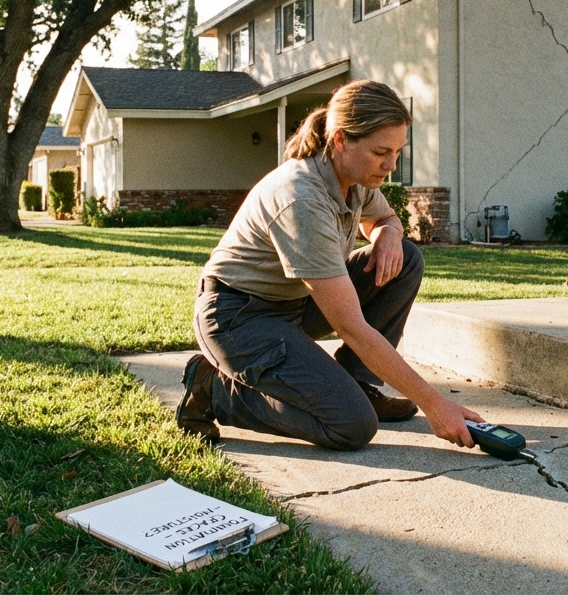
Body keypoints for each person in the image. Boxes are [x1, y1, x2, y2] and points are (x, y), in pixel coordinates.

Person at [177, 79, 483, 451]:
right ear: (340, 140)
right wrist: (435, 404)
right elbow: (350, 327)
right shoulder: (301, 198)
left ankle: (358, 383)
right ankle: (214, 389)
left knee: (406, 258)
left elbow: (385, 218)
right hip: (239, 318)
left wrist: (388, 233)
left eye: (398, 152)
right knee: (350, 426)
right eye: (381, 152)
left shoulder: (354, 177)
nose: (391, 165)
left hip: (293, 306)